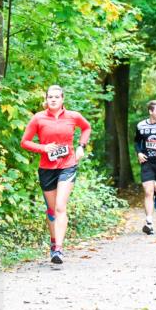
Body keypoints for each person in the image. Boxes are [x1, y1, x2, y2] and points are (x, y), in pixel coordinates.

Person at [21, 85, 91, 264]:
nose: (53, 100)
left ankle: (59, 249)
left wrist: (81, 146)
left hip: (67, 165)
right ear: (46, 99)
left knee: (60, 207)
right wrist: (43, 148)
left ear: (62, 99)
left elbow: (86, 128)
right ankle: (53, 243)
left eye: (56, 97)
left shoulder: (73, 116)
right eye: (50, 97)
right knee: (52, 210)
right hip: (47, 168)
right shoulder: (38, 118)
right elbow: (25, 142)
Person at [134, 100, 156, 235]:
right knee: (148, 192)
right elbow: (137, 141)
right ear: (150, 111)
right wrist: (139, 153)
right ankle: (149, 222)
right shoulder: (141, 125)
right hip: (147, 162)